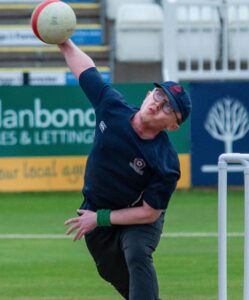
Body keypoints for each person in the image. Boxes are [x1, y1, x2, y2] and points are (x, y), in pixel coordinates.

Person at [60, 39, 192, 300]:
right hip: (95, 209)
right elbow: (87, 71)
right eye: (158, 95)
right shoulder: (112, 108)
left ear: (173, 126)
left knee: (136, 251)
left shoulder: (165, 162)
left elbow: (149, 212)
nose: (157, 104)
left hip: (139, 216)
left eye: (168, 107)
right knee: (113, 273)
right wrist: (64, 43)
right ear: (147, 95)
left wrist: (99, 218)